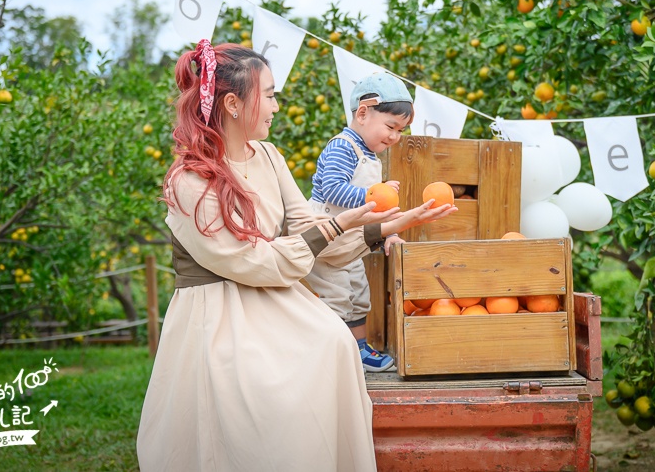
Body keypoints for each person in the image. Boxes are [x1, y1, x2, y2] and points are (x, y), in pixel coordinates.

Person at [136, 42, 455, 472]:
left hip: (272, 298)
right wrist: (338, 224)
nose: (276, 107)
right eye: (269, 95)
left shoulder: (268, 155)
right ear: (233, 103)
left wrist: (393, 225)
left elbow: (314, 236)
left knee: (335, 341)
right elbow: (253, 262)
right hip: (219, 314)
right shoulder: (189, 180)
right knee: (269, 395)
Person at [305, 72, 413, 372]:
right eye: (391, 126)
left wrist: (386, 234)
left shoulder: (368, 154)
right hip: (328, 240)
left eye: (401, 130)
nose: (394, 136)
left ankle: (358, 349)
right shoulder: (343, 147)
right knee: (336, 298)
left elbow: (369, 214)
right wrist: (371, 195)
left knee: (358, 296)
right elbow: (332, 189)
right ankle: (330, 355)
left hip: (350, 244)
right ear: (363, 113)